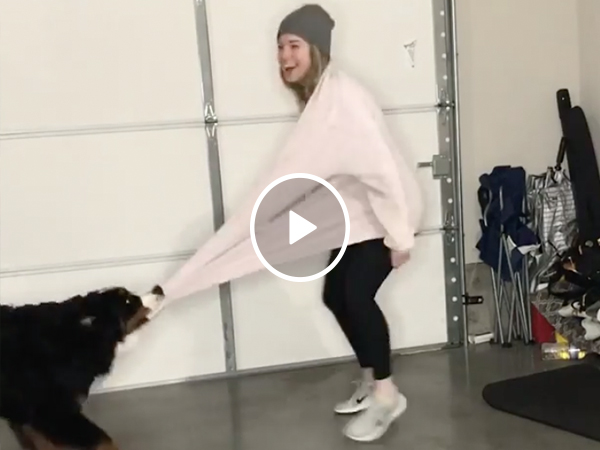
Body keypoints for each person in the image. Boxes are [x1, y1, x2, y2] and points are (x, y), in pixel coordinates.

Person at [276, 4, 416, 443]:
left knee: (356, 294)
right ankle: (372, 379)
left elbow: (381, 170)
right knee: (334, 294)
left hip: (385, 212)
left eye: (294, 46)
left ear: (316, 49)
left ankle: (388, 395)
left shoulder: (343, 99)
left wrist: (399, 235)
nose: (284, 56)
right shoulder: (319, 96)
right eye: (280, 47)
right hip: (356, 215)